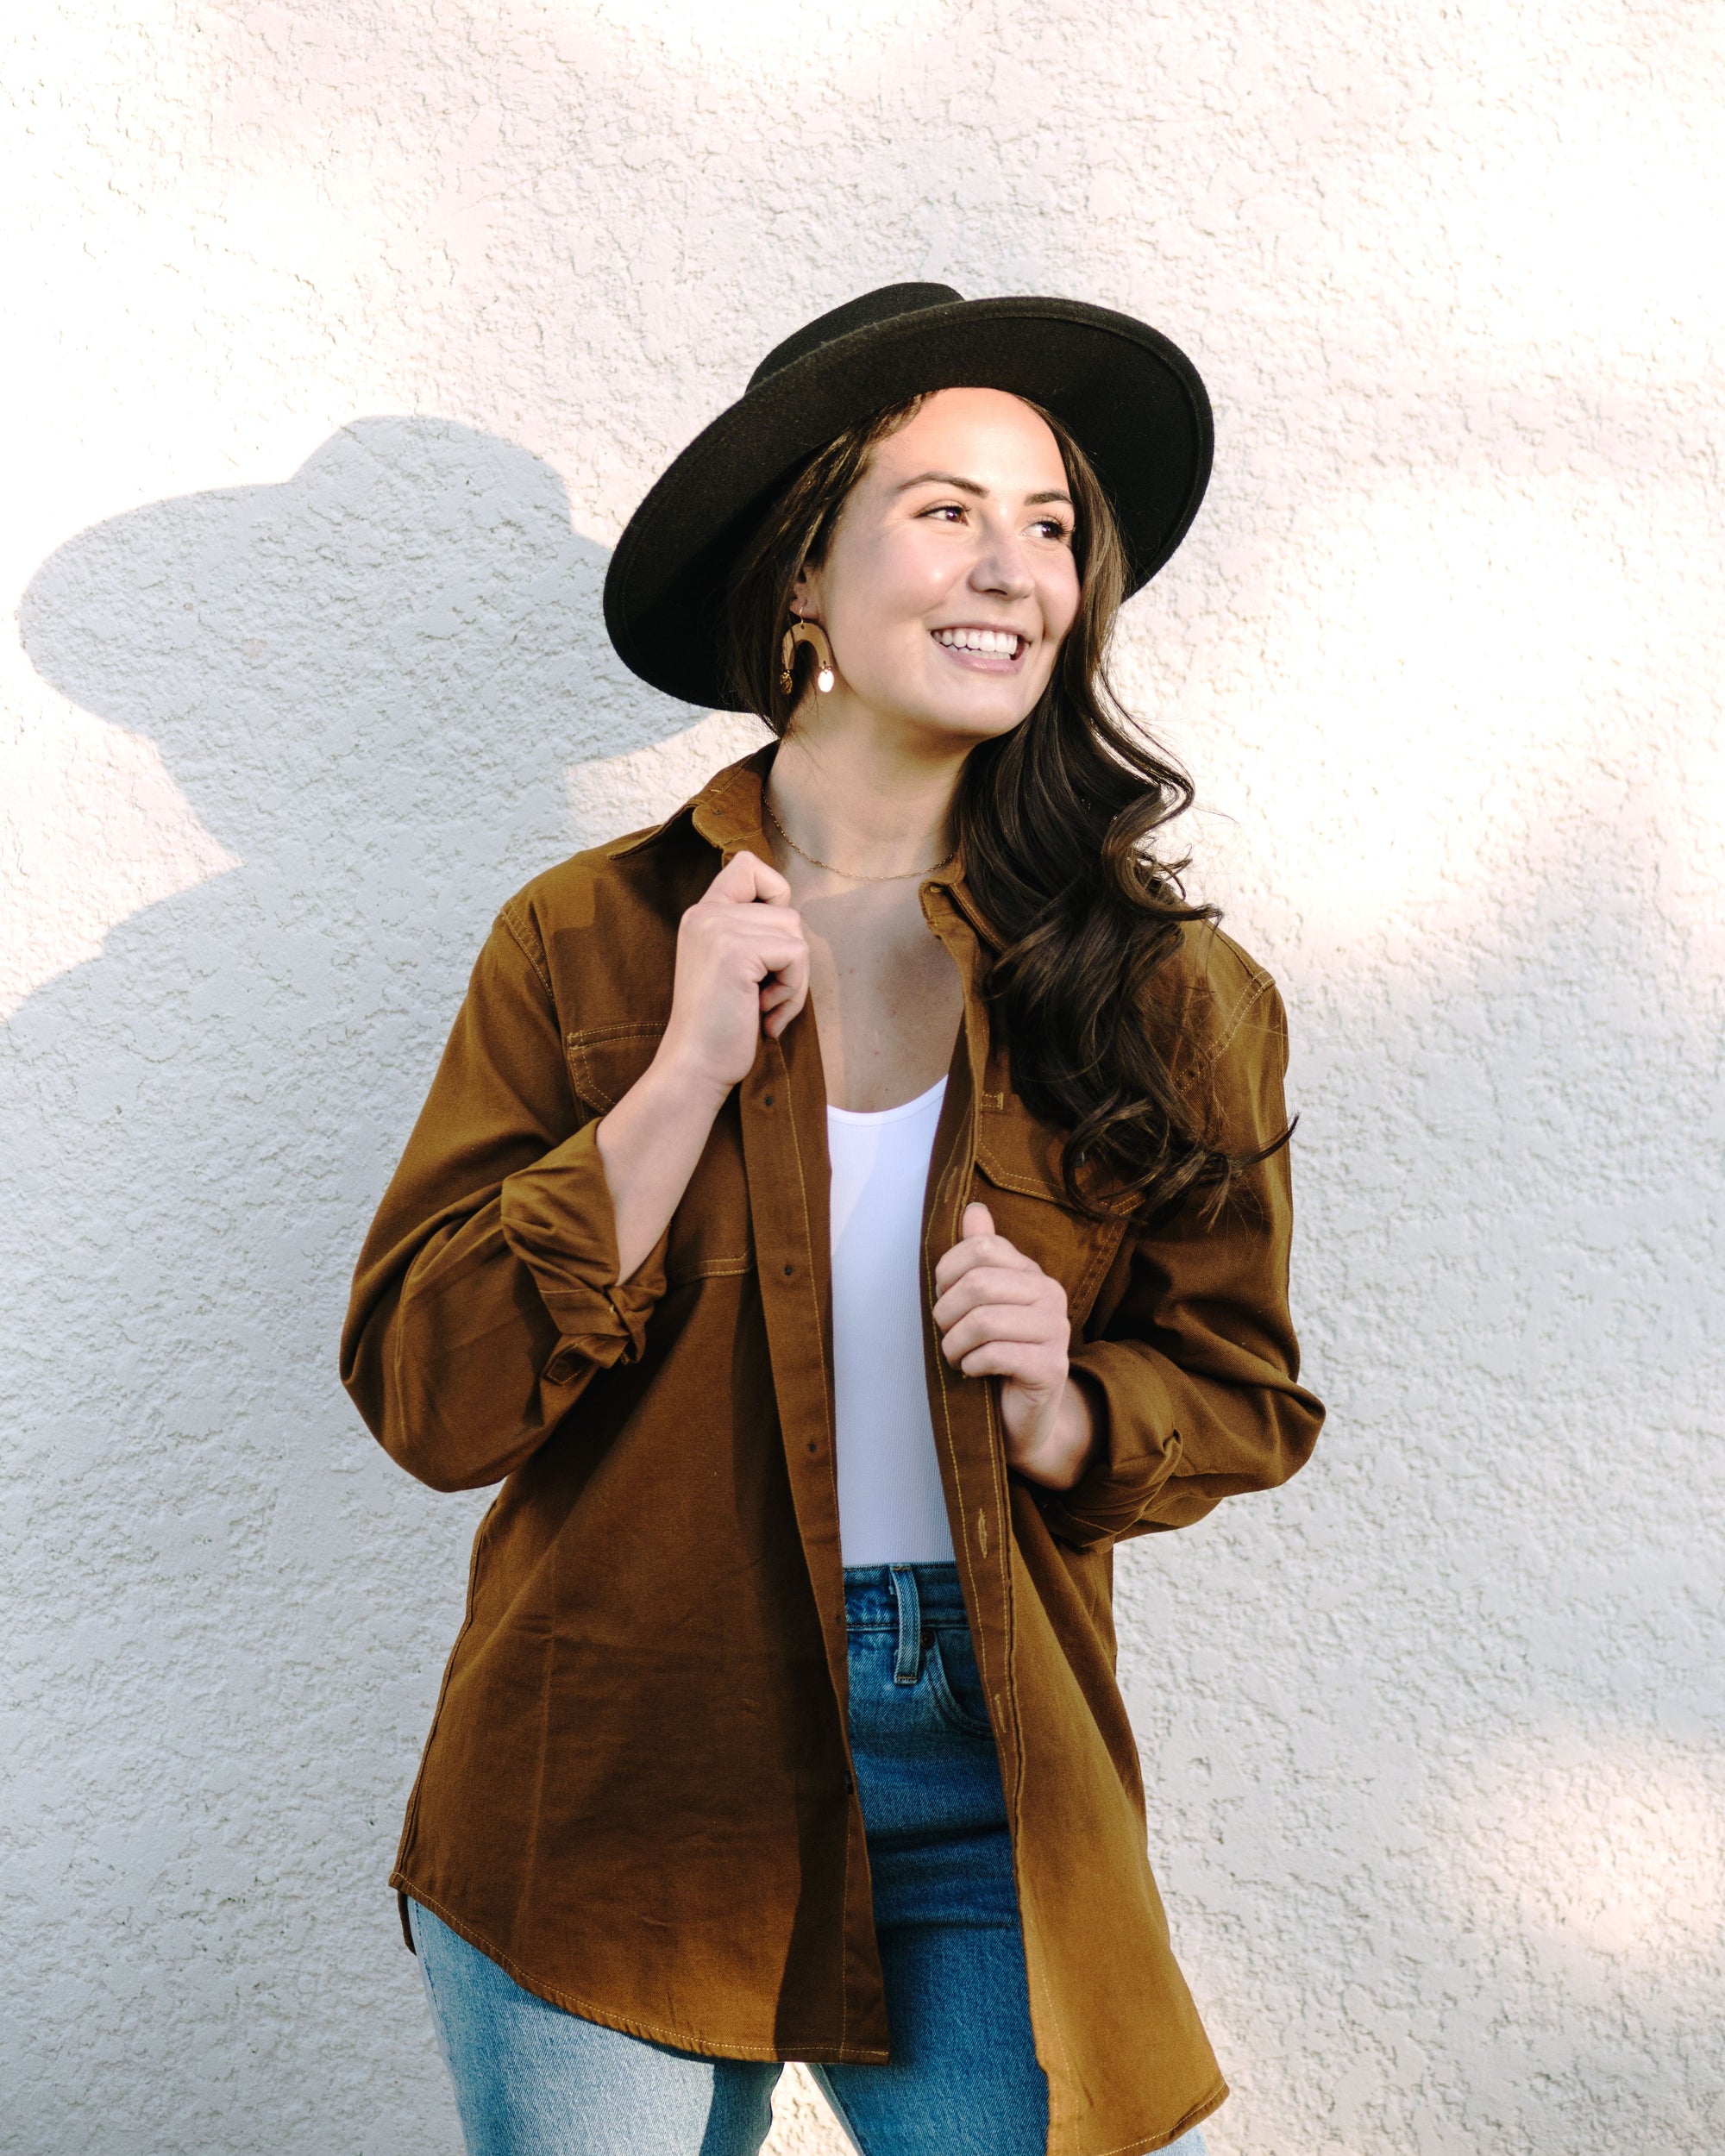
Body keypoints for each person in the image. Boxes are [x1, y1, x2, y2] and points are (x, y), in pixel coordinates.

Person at [342, 282, 1325, 2156]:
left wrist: (1070, 1405)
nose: (1014, 564)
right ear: (805, 571)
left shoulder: (1170, 990)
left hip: (990, 1770)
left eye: (1050, 524)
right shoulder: (588, 939)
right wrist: (681, 1073)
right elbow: (426, 1395)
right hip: (612, 1781)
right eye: (946, 505)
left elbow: (1243, 1384)